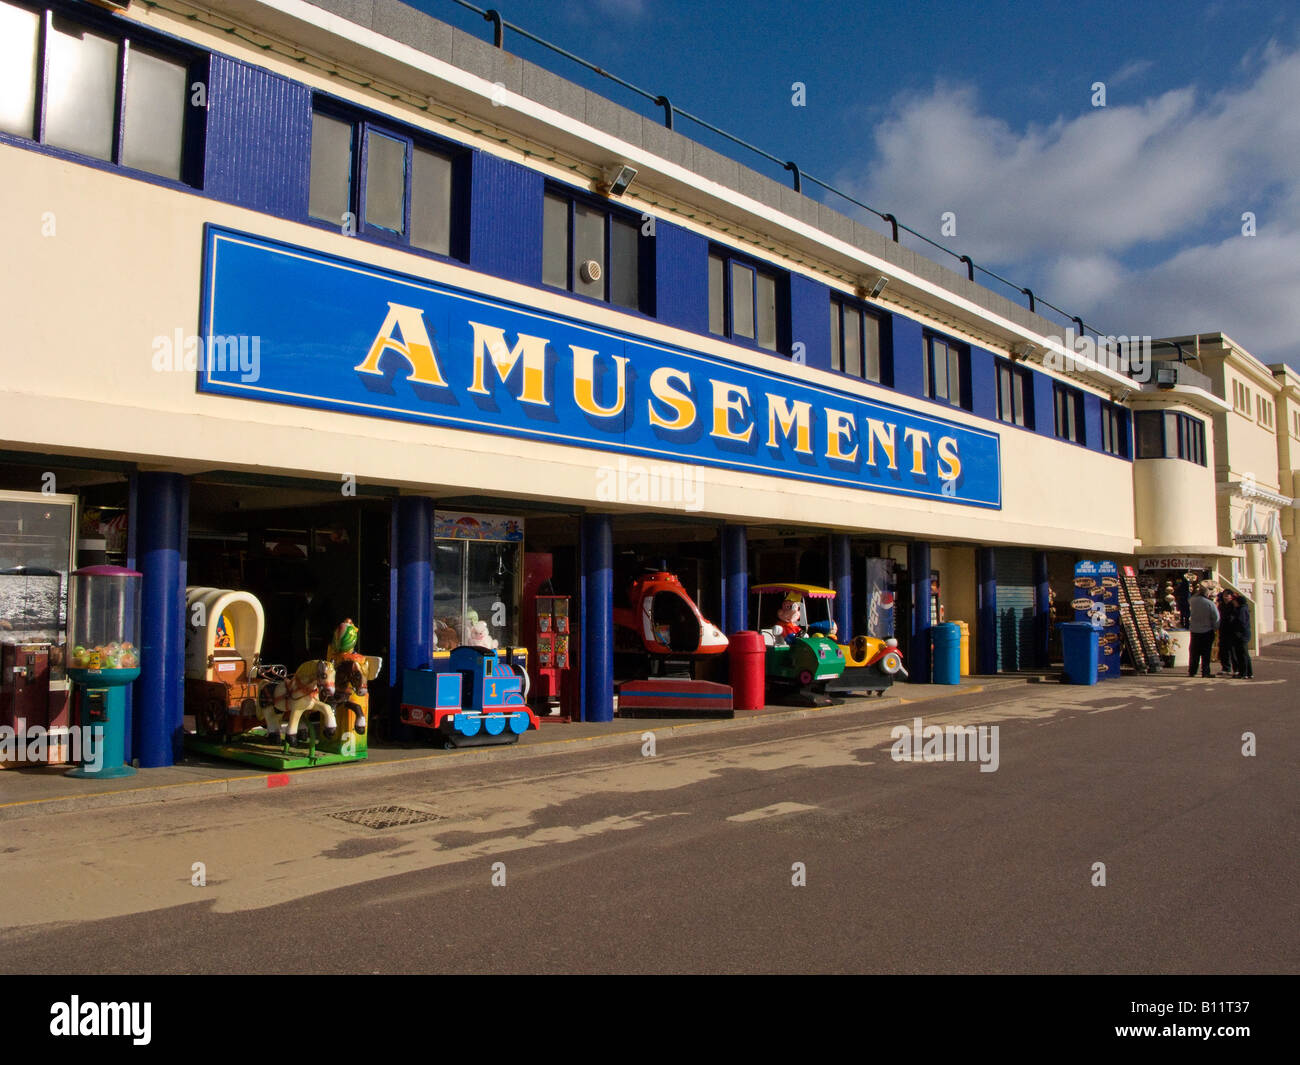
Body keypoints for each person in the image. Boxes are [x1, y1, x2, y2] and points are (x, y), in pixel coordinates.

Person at [1186, 585, 1219, 678]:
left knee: (1194, 652)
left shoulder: (1192, 601)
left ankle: (1192, 671)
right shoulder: (1209, 603)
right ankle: (1205, 671)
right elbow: (1216, 617)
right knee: (1206, 653)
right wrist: (1215, 627)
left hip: (1194, 630)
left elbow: (1190, 601)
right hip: (1207, 630)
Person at [1230, 594, 1254, 679]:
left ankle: (1243, 673)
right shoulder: (1242, 609)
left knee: (1242, 654)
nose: (1233, 602)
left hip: (1241, 635)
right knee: (1244, 654)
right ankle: (1248, 672)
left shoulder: (1242, 610)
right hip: (1243, 634)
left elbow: (1241, 622)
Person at [1216, 591, 1236, 676]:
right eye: (1224, 595)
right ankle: (1226, 668)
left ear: (1231, 596)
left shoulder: (1233, 605)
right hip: (1223, 630)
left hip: (1231, 630)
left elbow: (1234, 617)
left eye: (1227, 595)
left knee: (1232, 651)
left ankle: (1236, 669)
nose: (1225, 597)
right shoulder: (1221, 605)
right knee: (1223, 650)